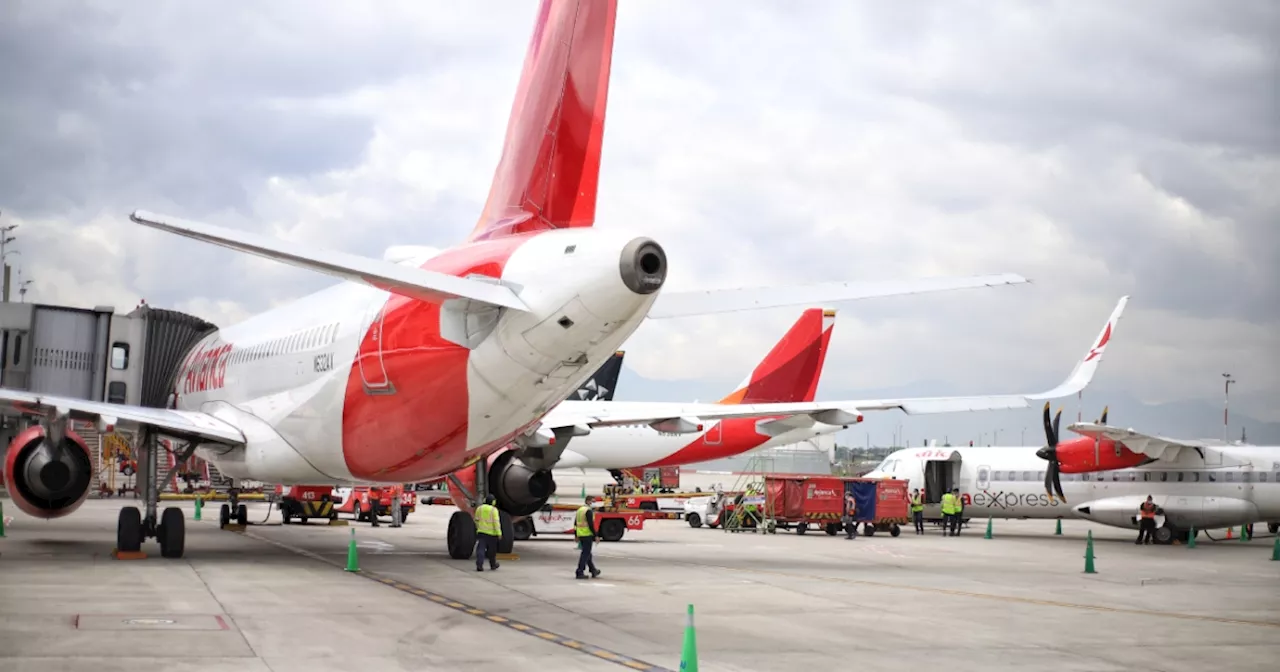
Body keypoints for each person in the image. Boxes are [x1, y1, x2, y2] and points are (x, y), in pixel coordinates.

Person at [575, 495, 602, 579]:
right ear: (588, 501)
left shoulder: (580, 510)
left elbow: (575, 523)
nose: (593, 503)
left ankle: (593, 570)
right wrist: (596, 535)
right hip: (587, 534)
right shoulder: (588, 511)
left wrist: (576, 535)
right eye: (592, 501)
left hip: (580, 534)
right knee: (585, 554)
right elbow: (591, 525)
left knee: (587, 553)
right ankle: (579, 571)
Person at [473, 495, 501, 572]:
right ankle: (493, 565)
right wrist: (499, 533)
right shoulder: (493, 510)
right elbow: (496, 522)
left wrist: (479, 528)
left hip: (481, 532)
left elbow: (476, 520)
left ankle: (479, 565)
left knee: (480, 549)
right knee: (492, 551)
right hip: (492, 534)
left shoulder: (480, 508)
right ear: (493, 502)